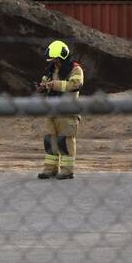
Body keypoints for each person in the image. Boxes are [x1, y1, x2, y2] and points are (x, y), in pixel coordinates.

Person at [36, 41, 85, 180]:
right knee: (49, 140)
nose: (54, 62)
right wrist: (42, 87)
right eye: (52, 60)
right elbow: (44, 82)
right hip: (52, 111)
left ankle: (67, 171)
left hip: (68, 112)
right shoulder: (51, 70)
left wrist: (54, 85)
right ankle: (50, 169)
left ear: (62, 56)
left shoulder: (75, 69)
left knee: (65, 142)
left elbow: (75, 85)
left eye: (55, 59)